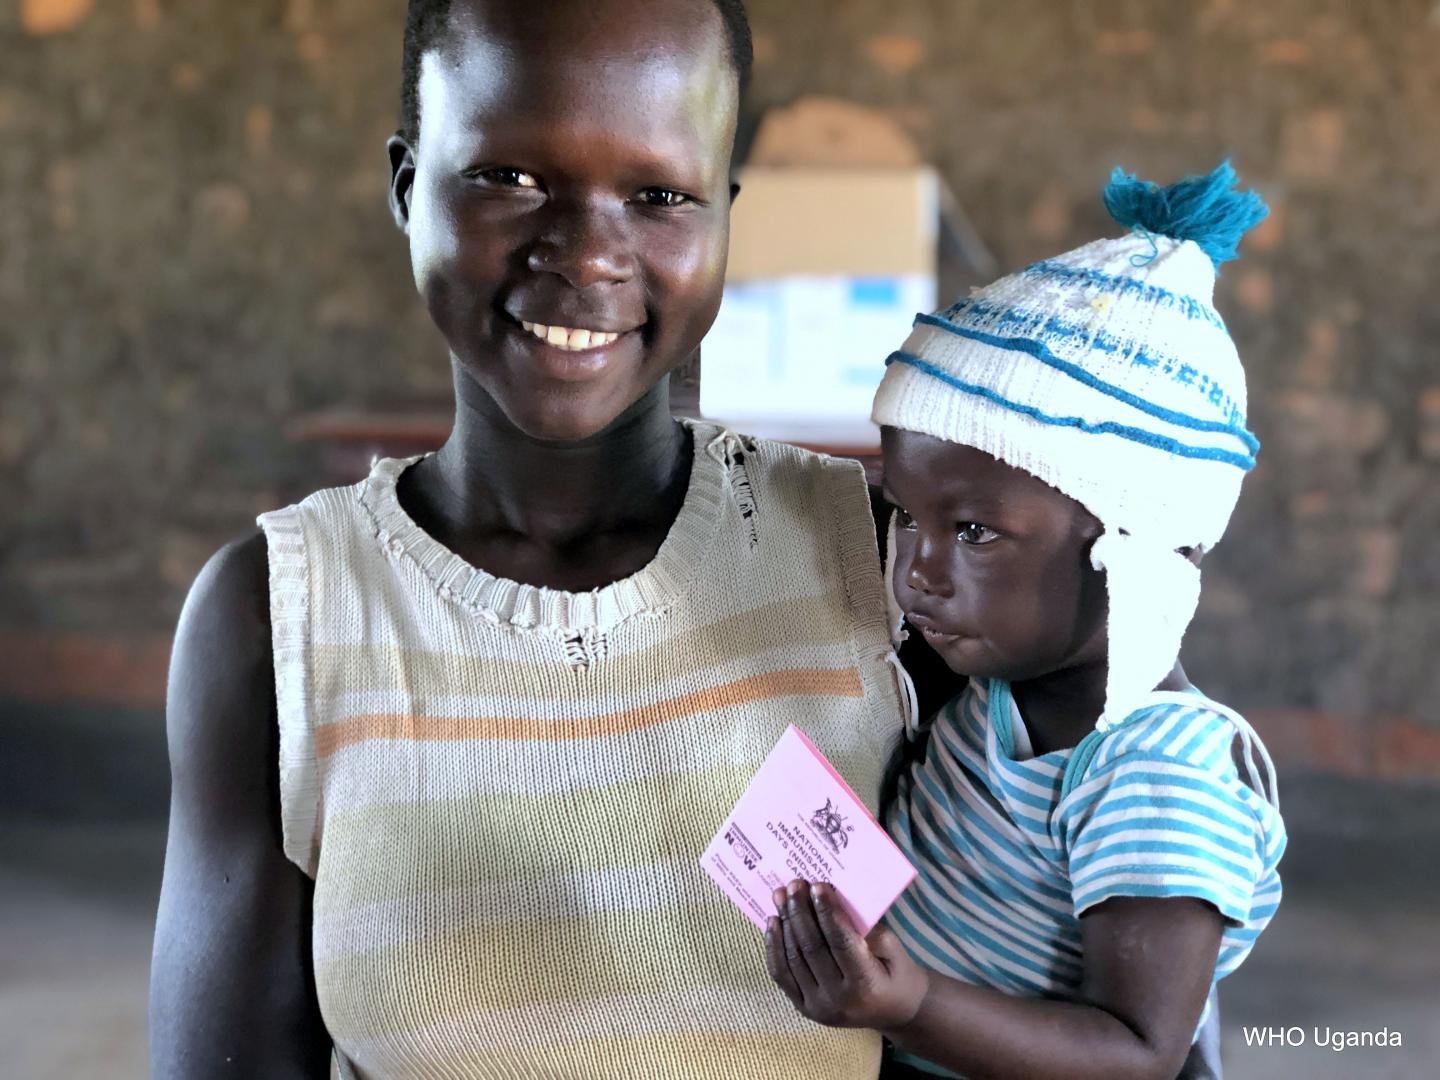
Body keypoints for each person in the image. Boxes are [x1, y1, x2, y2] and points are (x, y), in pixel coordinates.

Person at [148, 1, 927, 1077]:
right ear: (406, 185)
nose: (587, 255)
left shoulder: (888, 568)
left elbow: (1119, 951)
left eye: (659, 195)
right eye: (510, 178)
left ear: (725, 216)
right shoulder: (278, 620)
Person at [763, 164, 1287, 1080]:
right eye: (908, 519)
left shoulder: (1155, 772)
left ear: (1139, 542)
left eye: (972, 531)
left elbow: (1139, 1053)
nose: (917, 571)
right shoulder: (1001, 682)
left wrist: (913, 1005)